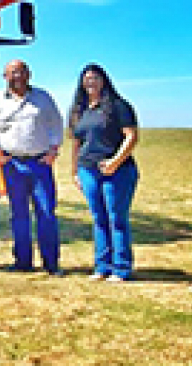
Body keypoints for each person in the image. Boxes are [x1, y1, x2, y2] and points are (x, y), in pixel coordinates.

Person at [0, 59, 65, 276]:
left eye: (20, 72)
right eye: (11, 73)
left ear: (29, 74)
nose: (16, 76)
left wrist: (53, 151)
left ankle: (51, 263)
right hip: (13, 165)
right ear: (4, 77)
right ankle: (22, 261)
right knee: (19, 214)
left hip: (39, 164)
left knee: (46, 212)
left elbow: (55, 124)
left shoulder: (43, 98)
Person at [69, 63, 140, 283]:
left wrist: (115, 162)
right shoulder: (80, 111)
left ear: (104, 81)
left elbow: (131, 136)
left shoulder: (118, 106)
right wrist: (74, 172)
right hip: (88, 170)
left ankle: (121, 268)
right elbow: (76, 143)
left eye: (95, 78)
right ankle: (102, 266)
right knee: (99, 218)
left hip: (117, 171)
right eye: (87, 79)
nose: (91, 82)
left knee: (116, 217)